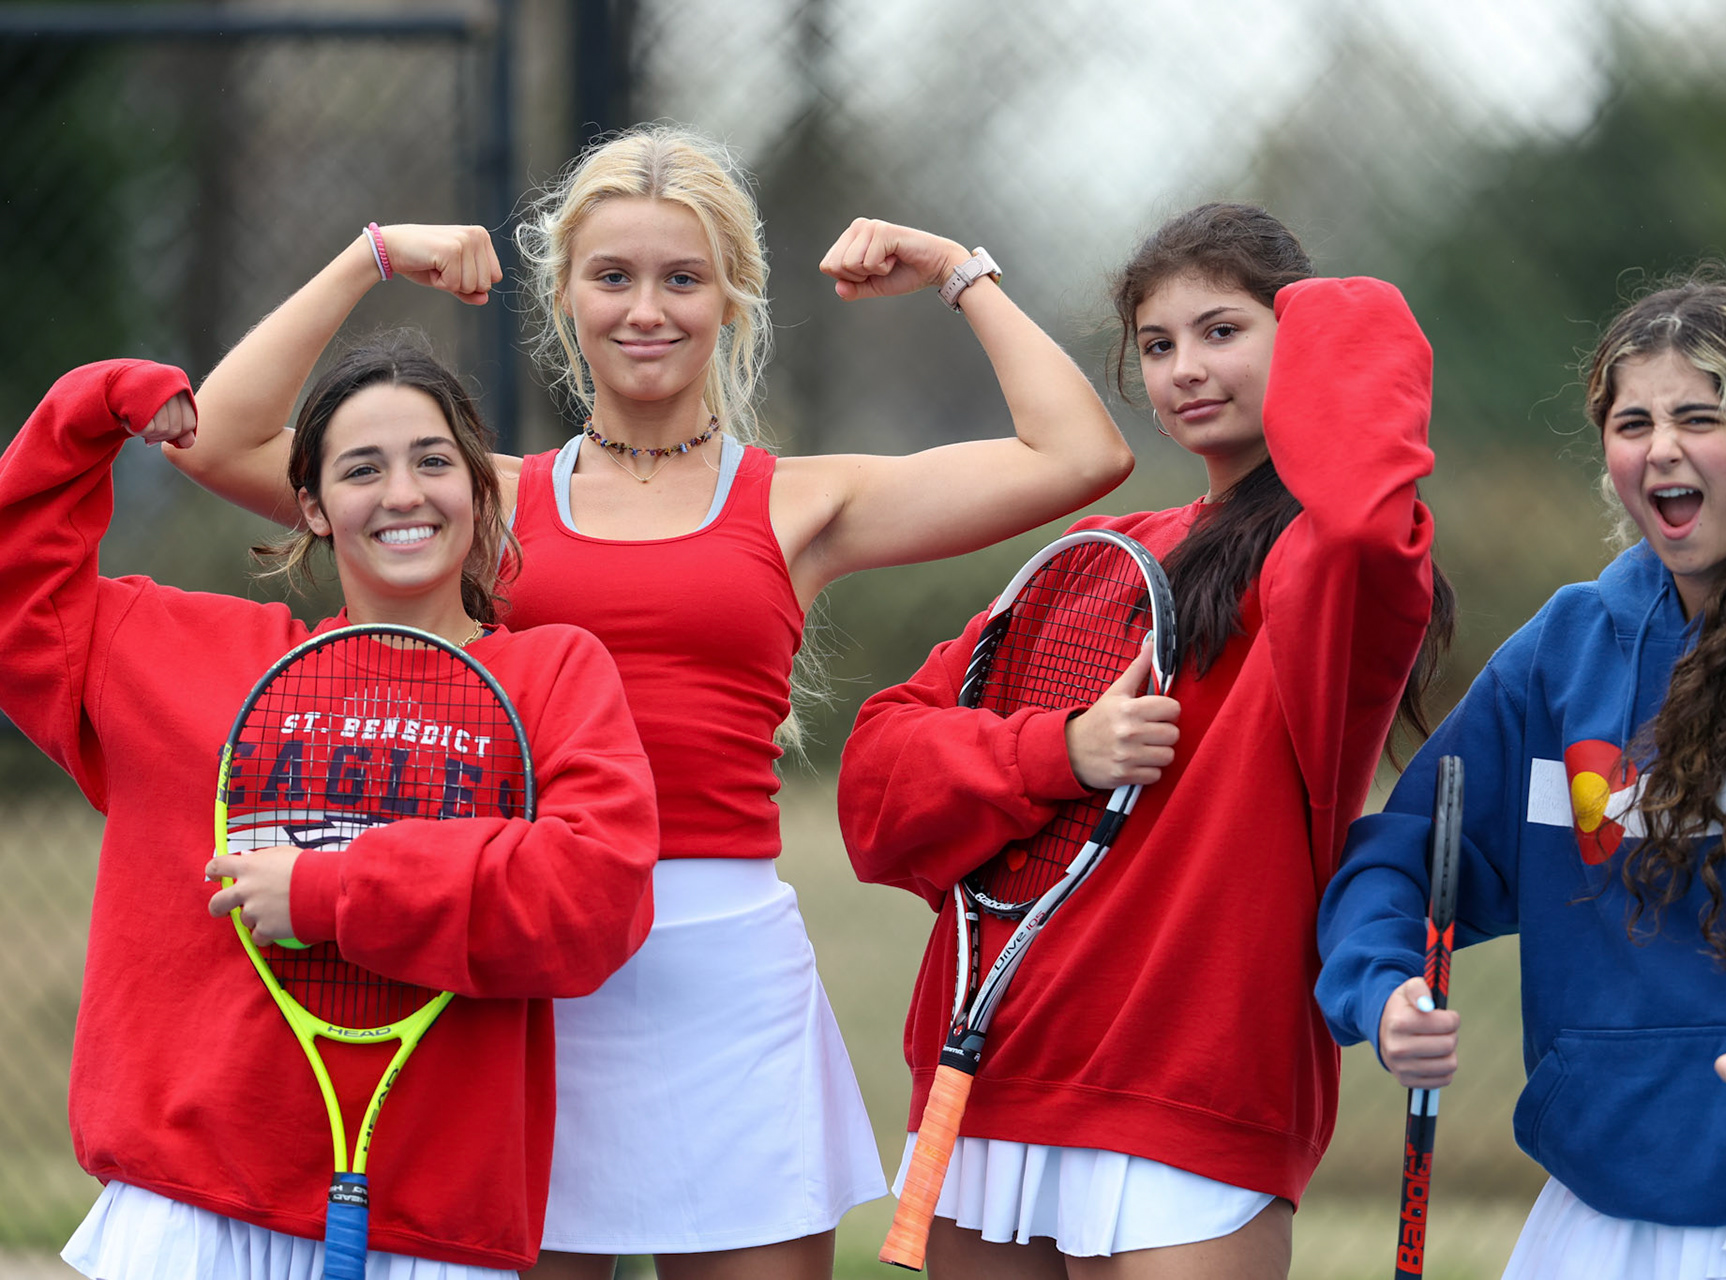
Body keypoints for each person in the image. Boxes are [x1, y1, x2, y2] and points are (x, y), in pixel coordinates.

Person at [166, 124, 1133, 1279]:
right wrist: (370, 253)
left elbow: (1080, 452)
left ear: (731, 297)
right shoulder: (486, 498)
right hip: (529, 958)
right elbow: (216, 436)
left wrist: (954, 272)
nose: (647, 310)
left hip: (726, 980)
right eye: (611, 276)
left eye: (683, 278)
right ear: (565, 295)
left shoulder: (801, 503)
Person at [836, 202, 1453, 1276]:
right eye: (1158, 345)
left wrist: (955, 268)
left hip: (1192, 1090)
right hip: (995, 1072)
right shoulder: (1099, 553)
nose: (1184, 369)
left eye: (1223, 331)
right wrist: (1059, 751)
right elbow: (879, 778)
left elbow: (1360, 508)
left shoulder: (1331, 576)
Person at [0, 340, 660, 1278]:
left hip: (430, 1229)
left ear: (479, 488)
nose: (403, 494)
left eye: (434, 461)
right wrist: (90, 406)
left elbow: (593, 898)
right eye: (362, 469)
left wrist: (331, 892)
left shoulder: (552, 677)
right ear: (310, 503)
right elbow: (19, 591)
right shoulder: (198, 658)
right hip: (190, 1207)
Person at [1317, 277, 1726, 1279]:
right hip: (1600, 1208)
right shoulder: (1563, 651)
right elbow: (1406, 853)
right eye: (1632, 420)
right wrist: (1381, 990)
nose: (1661, 447)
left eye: (1700, 416)